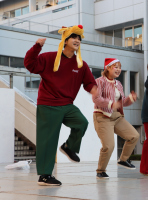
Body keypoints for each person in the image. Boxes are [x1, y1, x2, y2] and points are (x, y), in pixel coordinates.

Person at [24, 25, 97, 186]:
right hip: (48, 104)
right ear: (65, 40)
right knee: (48, 140)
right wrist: (37, 47)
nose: (77, 40)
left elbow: (89, 83)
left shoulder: (81, 65)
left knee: (81, 123)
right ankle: (44, 175)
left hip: (66, 105)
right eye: (74, 37)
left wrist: (95, 91)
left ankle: (68, 147)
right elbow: (30, 65)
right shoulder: (49, 58)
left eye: (79, 38)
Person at [92, 58, 139, 179]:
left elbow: (122, 102)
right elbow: (96, 99)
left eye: (119, 67)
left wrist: (130, 99)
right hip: (102, 117)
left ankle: (123, 160)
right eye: (115, 67)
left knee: (134, 136)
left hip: (117, 116)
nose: (118, 69)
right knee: (109, 146)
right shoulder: (99, 81)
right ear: (107, 68)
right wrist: (110, 104)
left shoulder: (118, 84)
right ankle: (100, 170)